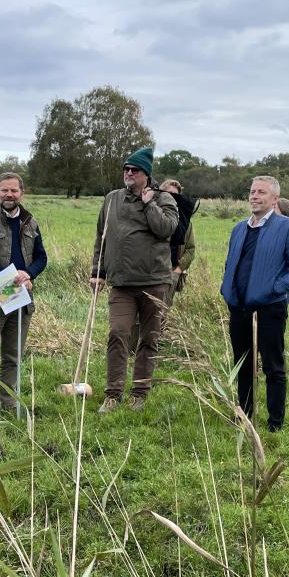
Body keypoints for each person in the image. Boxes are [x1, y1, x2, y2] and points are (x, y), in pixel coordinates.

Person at [89, 146, 179, 413]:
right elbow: (101, 238)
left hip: (154, 281)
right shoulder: (112, 199)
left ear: (146, 175)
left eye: (134, 170)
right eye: (126, 169)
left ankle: (139, 393)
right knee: (118, 333)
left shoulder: (164, 200)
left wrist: (148, 202)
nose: (128, 173)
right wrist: (98, 272)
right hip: (122, 283)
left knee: (148, 338)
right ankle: (113, 394)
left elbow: (166, 229)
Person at [220, 176, 289, 432]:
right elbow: (231, 264)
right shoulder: (239, 229)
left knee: (273, 366)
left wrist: (273, 289)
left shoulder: (288, 229)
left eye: (261, 192)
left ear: (274, 199)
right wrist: (227, 288)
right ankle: (245, 416)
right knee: (243, 363)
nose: (254, 196)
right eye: (252, 191)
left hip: (269, 308)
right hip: (239, 308)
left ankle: (275, 423)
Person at [0, 172, 48, 413]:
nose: (9, 195)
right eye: (4, 190)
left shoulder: (30, 222)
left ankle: (9, 402)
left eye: (14, 190)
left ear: (22, 193)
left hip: (21, 298)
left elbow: (41, 257)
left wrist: (29, 274)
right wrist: (14, 278)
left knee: (13, 355)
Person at [159, 178, 197, 308]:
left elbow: (191, 249)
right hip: (151, 272)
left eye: (176, 195)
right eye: (168, 194)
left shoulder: (185, 223)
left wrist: (178, 269)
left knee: (162, 312)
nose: (172, 198)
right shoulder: (151, 215)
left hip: (171, 273)